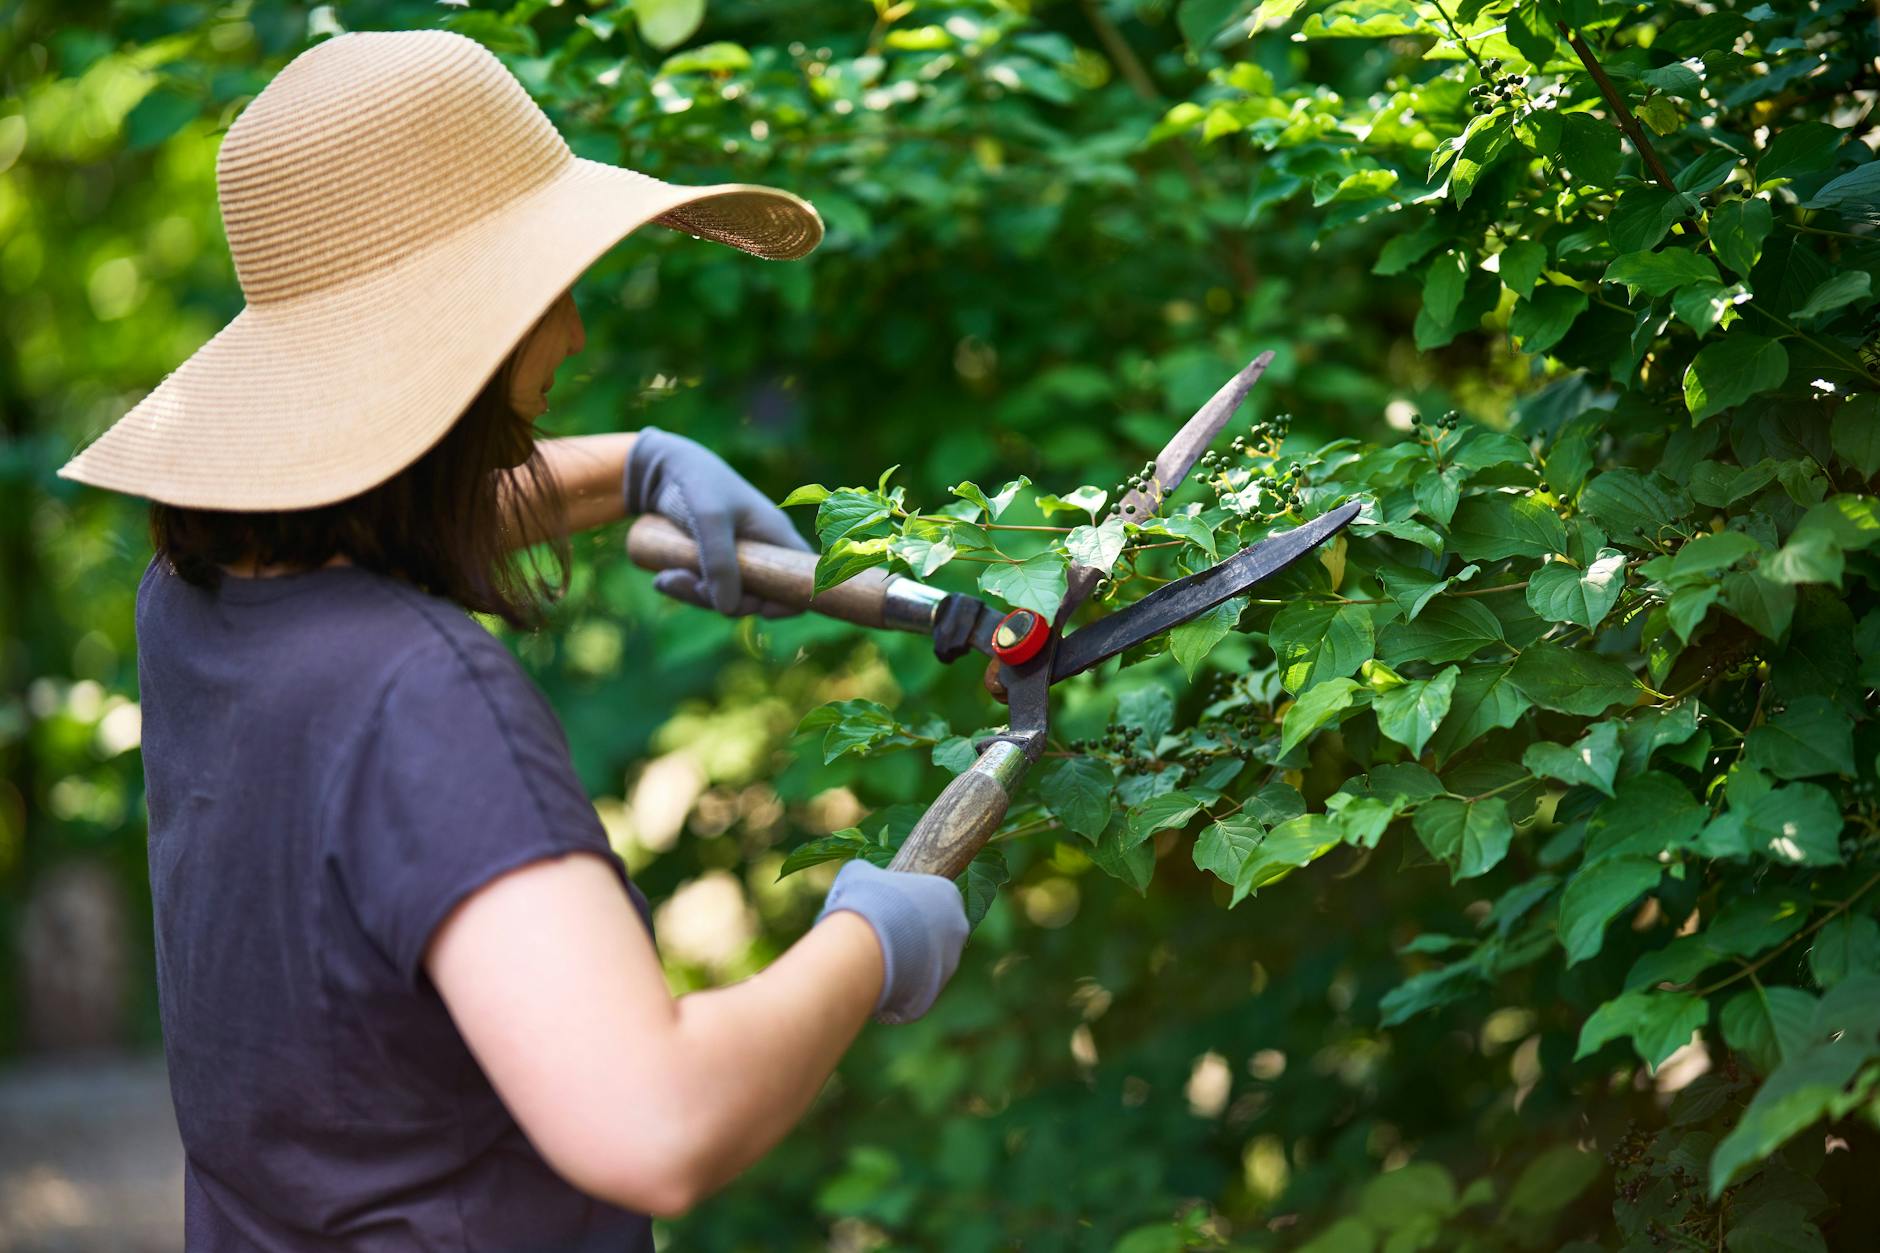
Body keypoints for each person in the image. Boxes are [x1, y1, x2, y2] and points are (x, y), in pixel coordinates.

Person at [57, 29, 970, 1251]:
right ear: (463, 337)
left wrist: (638, 470)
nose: (577, 335)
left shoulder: (196, 602)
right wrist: (869, 936)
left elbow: (377, 513)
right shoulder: (417, 693)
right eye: (553, 290)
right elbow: (654, 1121)